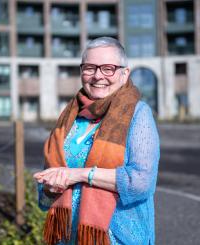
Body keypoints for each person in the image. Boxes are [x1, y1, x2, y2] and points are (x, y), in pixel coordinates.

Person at [33, 37, 160, 245]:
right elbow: (44, 200)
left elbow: (141, 182)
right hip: (68, 239)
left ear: (124, 73)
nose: (98, 75)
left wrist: (79, 175)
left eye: (108, 68)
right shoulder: (70, 118)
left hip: (119, 239)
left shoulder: (138, 114)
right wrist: (51, 188)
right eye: (90, 68)